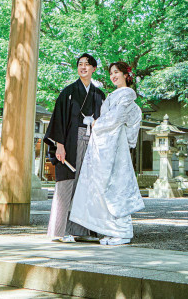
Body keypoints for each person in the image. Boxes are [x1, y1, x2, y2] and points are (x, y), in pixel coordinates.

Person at [70, 61, 144, 245]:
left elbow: (117, 117)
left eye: (117, 72)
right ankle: (110, 229)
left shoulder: (127, 95)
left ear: (127, 75)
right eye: (111, 73)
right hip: (105, 144)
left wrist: (97, 124)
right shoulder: (114, 95)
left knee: (115, 186)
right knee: (102, 185)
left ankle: (123, 232)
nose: (113, 76)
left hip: (115, 145)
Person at [43, 53, 106, 242]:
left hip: (92, 143)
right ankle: (59, 231)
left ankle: (83, 231)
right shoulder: (68, 92)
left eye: (88, 64)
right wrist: (59, 146)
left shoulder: (99, 95)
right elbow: (58, 121)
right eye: (80, 64)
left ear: (94, 69)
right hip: (70, 142)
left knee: (86, 187)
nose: (83, 67)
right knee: (66, 185)